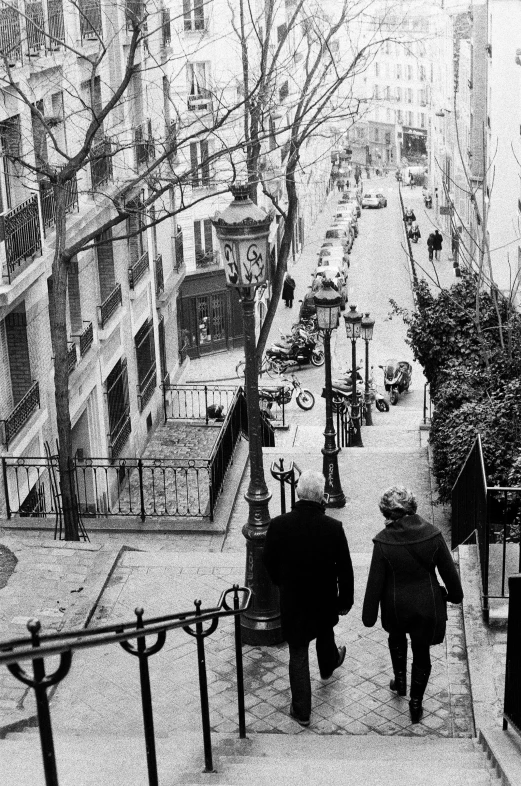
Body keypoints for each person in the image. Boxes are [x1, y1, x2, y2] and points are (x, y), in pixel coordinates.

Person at [362, 486, 463, 724]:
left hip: (395, 605)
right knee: (422, 652)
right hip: (426, 605)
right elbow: (452, 583)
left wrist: (369, 615)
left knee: (396, 639)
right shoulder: (433, 535)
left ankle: (400, 682)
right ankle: (416, 703)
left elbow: (374, 583)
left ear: (386, 512)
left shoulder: (383, 541)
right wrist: (450, 597)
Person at [263, 470, 354, 727]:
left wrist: (282, 583)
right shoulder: (333, 528)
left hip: (294, 601)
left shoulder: (279, 525)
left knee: (298, 652)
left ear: (298, 494)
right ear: (322, 497)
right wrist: (344, 601)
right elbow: (345, 568)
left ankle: (302, 710)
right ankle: (328, 664)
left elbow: (268, 561)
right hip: (324, 599)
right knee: (324, 631)